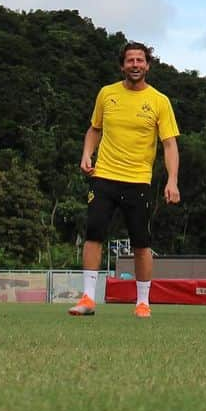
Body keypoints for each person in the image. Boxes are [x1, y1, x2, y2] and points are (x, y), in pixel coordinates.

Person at [69, 43, 180, 319]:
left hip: (138, 180)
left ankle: (143, 302)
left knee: (141, 242)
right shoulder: (107, 94)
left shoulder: (159, 101)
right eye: (130, 60)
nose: (135, 64)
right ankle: (87, 298)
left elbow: (169, 145)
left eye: (140, 60)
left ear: (147, 65)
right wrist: (86, 153)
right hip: (104, 175)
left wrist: (172, 180)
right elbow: (94, 129)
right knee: (94, 233)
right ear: (122, 66)